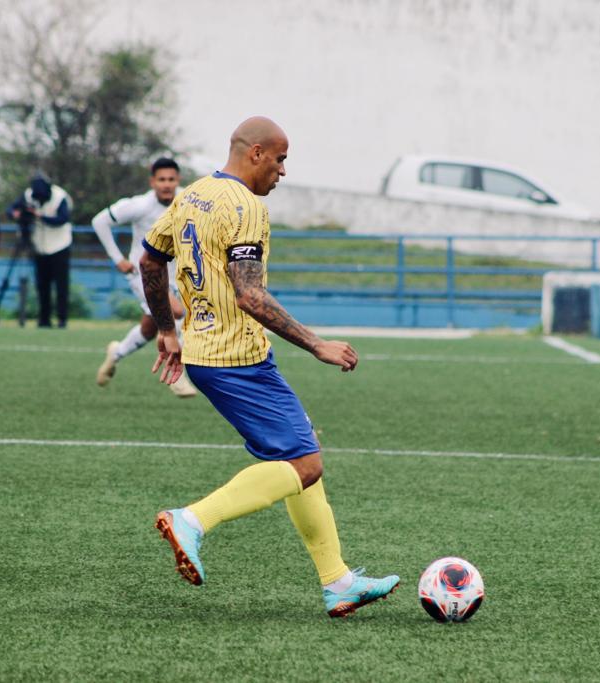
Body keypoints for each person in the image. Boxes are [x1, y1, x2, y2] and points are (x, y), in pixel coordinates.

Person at [140, 116, 398, 618]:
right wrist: (316, 343)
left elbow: (152, 261)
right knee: (306, 464)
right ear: (255, 153)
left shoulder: (193, 194)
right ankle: (192, 520)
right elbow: (250, 294)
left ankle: (338, 580)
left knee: (302, 456)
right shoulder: (246, 207)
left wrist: (167, 331)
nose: (282, 171)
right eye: (279, 159)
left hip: (206, 353)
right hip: (238, 359)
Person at [92, 158, 197, 398]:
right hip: (144, 274)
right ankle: (177, 376)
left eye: (171, 179)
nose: (166, 184)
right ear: (152, 182)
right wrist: (117, 258)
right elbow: (99, 221)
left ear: (177, 180)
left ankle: (116, 353)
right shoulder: (140, 205)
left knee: (150, 328)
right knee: (177, 313)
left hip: (173, 275)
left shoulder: (187, 201)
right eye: (161, 179)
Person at [8, 174, 72, 328]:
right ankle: (44, 319)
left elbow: (62, 219)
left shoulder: (60, 197)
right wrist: (14, 214)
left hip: (59, 246)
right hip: (39, 247)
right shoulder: (29, 195)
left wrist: (40, 216)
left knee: (61, 285)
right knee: (42, 285)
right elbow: (12, 209)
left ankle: (62, 319)